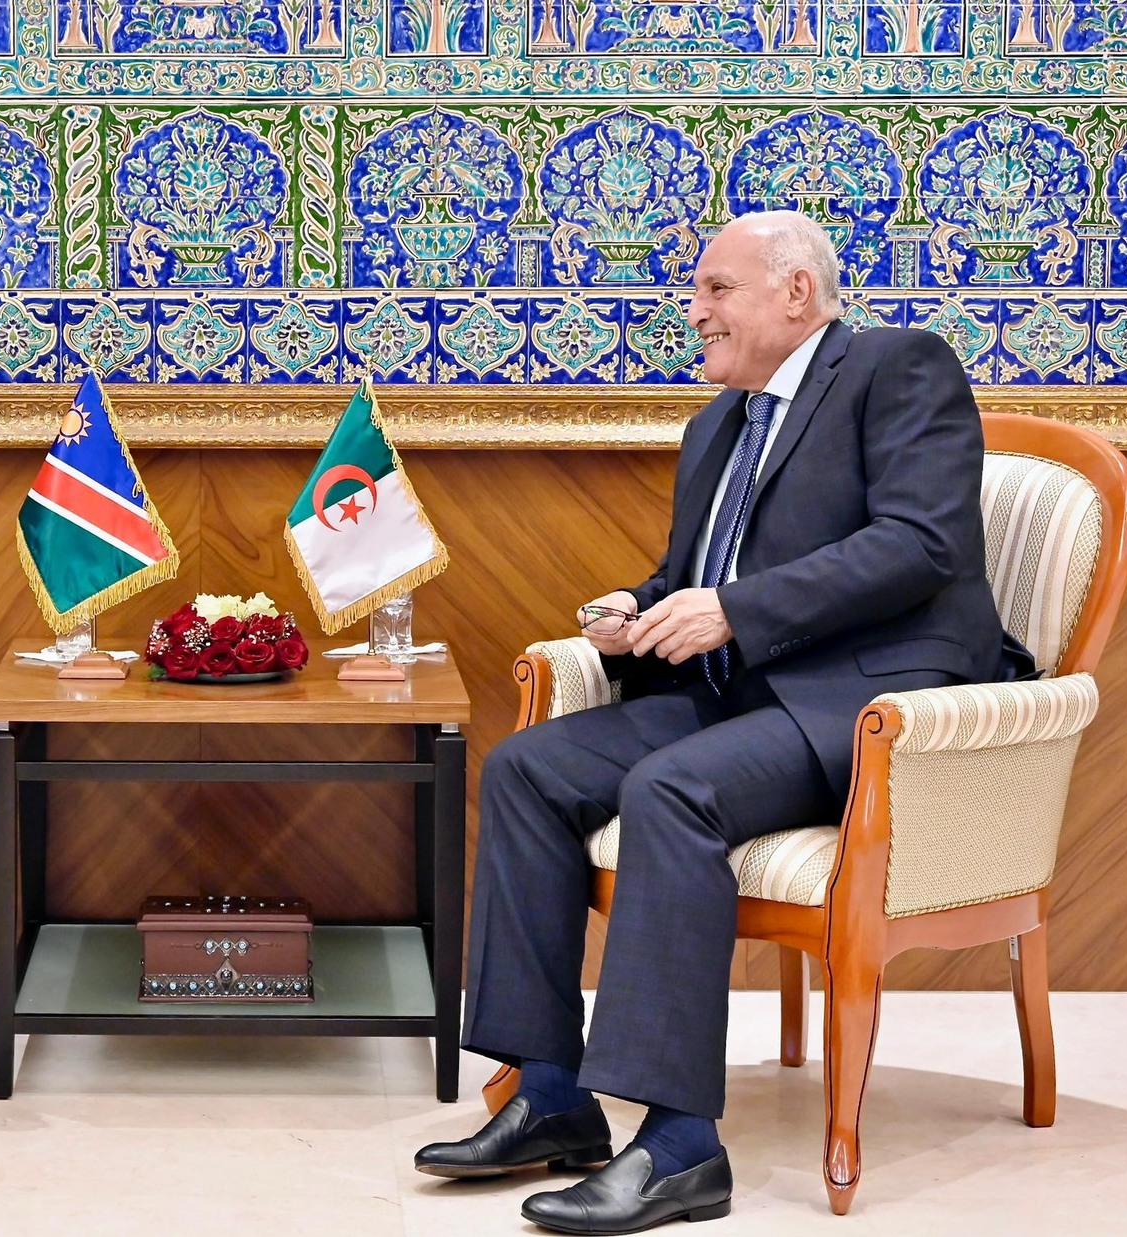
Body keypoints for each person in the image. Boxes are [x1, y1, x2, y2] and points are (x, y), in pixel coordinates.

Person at [413, 210, 1033, 1232]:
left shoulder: (896, 368)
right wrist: (635, 609)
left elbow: (919, 543)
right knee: (528, 768)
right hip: (734, 695)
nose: (693, 309)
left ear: (795, 292)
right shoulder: (718, 425)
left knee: (671, 789)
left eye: (715, 289)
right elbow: (691, 578)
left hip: (869, 705)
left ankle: (678, 1149)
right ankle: (550, 1093)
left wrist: (734, 611)